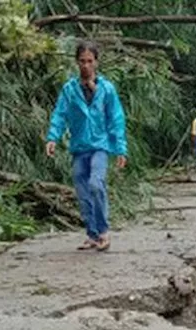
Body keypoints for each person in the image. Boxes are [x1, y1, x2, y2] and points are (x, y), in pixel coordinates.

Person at [45, 40, 128, 251]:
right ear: (76, 62)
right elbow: (60, 114)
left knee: (96, 184)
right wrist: (52, 137)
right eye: (82, 61)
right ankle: (91, 234)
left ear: (96, 62)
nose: (86, 66)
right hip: (79, 146)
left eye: (90, 61)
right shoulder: (70, 89)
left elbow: (116, 119)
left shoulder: (106, 89)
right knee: (82, 193)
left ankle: (103, 231)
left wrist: (120, 148)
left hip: (99, 146)